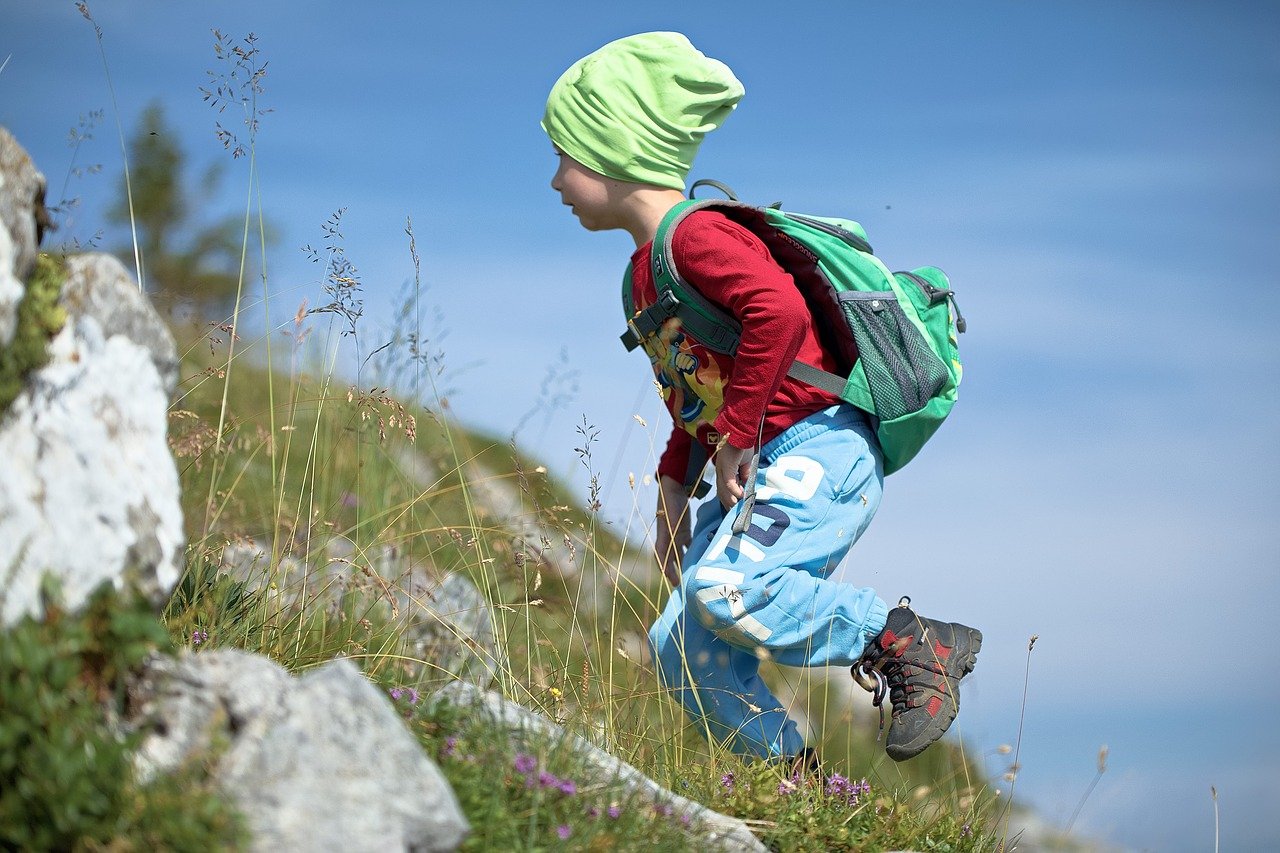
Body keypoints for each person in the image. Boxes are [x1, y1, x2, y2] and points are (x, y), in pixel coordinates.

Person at [542, 31, 981, 765]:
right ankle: (790, 783)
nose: (555, 179)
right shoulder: (642, 275)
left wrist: (740, 435)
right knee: (678, 644)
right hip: (758, 455)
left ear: (614, 152)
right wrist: (674, 482)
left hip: (819, 442)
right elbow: (695, 390)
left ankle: (910, 642)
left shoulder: (698, 238)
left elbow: (776, 312)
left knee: (724, 588)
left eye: (564, 155)